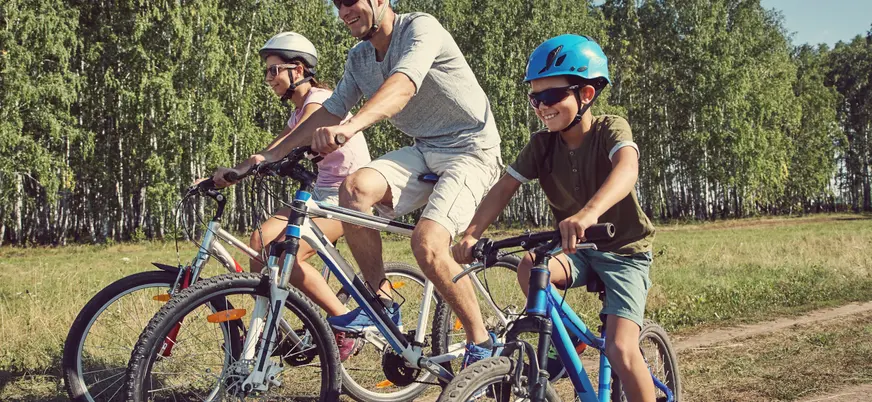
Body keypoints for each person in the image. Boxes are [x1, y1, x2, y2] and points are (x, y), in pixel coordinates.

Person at [215, 0, 503, 368]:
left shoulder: (420, 28)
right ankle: (381, 302)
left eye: (351, 2)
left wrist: (350, 127)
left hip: (471, 149)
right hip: (425, 148)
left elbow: (403, 86)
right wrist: (267, 156)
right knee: (353, 189)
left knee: (427, 244)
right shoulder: (359, 58)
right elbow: (331, 109)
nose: (343, 11)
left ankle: (482, 342)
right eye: (337, 5)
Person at [452, 34, 657, 401]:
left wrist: (587, 213)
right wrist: (470, 234)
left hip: (625, 253)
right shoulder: (542, 145)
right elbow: (503, 188)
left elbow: (627, 168)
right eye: (535, 98)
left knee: (621, 349)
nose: (541, 106)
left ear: (586, 95)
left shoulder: (610, 128)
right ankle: (571, 343)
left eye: (551, 97)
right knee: (531, 267)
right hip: (577, 250)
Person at [212, 32, 372, 361]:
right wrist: (230, 174)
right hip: (319, 194)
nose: (268, 79)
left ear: (297, 70)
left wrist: (259, 164)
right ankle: (275, 326)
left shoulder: (321, 100)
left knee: (287, 254)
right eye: (266, 72)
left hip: (350, 196)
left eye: (274, 71)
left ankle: (345, 327)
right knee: (258, 244)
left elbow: (298, 139)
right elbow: (272, 150)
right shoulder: (296, 114)